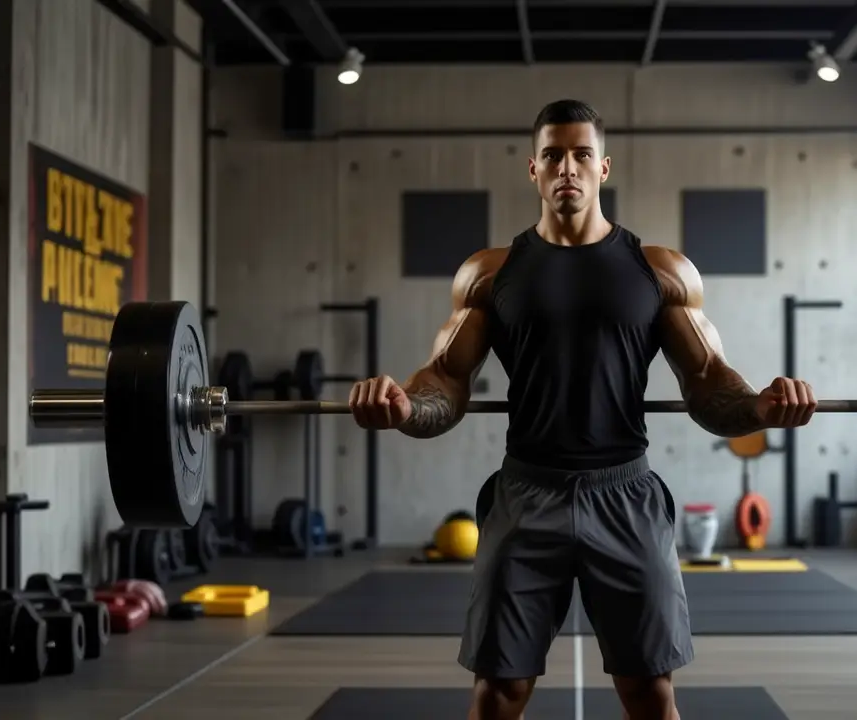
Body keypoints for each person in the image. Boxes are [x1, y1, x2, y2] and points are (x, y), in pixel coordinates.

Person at [348, 99, 818, 720]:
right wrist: (405, 408)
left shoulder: (662, 272)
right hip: (526, 495)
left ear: (603, 167)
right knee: (498, 692)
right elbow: (446, 382)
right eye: (552, 155)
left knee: (649, 692)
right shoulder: (488, 274)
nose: (566, 167)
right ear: (534, 170)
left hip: (625, 495)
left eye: (581, 154)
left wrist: (759, 408)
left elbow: (707, 382)